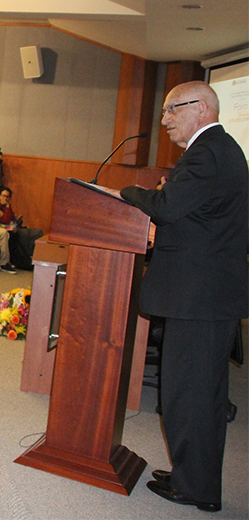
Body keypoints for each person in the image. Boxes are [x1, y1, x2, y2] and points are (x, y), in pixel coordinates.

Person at [120, 81, 248, 513]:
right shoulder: (219, 150)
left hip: (200, 297)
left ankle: (195, 488)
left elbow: (169, 207)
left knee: (188, 394)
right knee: (201, 395)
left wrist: (129, 193)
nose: (165, 119)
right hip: (207, 295)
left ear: (202, 108)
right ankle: (195, 477)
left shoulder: (207, 152)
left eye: (173, 109)